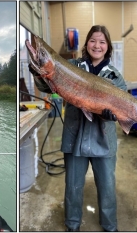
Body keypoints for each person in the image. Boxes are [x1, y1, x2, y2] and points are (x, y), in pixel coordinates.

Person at [31, 25, 125, 231]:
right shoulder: (71, 66)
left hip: (104, 140)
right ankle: (72, 224)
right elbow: (47, 85)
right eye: (93, 40)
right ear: (86, 44)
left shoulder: (115, 77)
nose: (97, 45)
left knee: (107, 187)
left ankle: (110, 226)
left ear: (108, 47)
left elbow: (122, 109)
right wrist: (37, 69)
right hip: (75, 138)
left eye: (102, 42)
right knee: (73, 187)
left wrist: (112, 115)